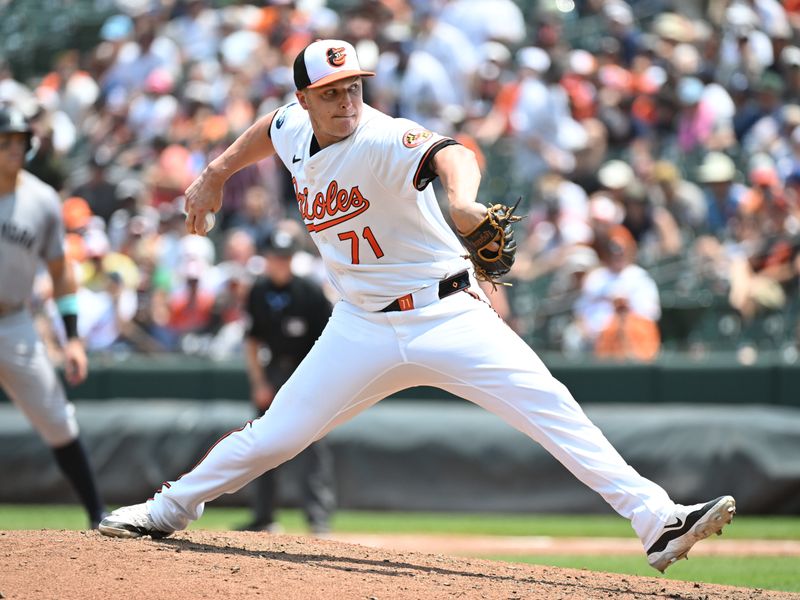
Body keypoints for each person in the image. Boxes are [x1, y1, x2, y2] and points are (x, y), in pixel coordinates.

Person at [99, 39, 735, 573]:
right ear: (305, 100)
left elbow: (448, 152)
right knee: (275, 436)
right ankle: (165, 510)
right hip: (360, 326)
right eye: (331, 92)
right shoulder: (293, 127)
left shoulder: (382, 136)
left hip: (447, 313)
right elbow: (269, 129)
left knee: (553, 410)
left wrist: (460, 204)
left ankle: (657, 520)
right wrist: (215, 172)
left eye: (354, 87)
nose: (347, 101)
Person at [0, 105, 106, 528]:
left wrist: (73, 338)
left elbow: (61, 273)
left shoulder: (41, 199)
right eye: (6, 140)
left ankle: (97, 514)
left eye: (20, 141)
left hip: (13, 320)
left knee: (57, 419)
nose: (14, 148)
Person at [239, 226, 336, 534]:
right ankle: (264, 517)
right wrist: (259, 383)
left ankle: (317, 521)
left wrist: (320, 382)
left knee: (313, 447)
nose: (279, 263)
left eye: (285, 257)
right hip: (275, 371)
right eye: (274, 257)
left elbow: (331, 338)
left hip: (306, 372)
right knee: (263, 444)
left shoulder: (308, 291)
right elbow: (252, 341)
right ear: (266, 259)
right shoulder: (259, 291)